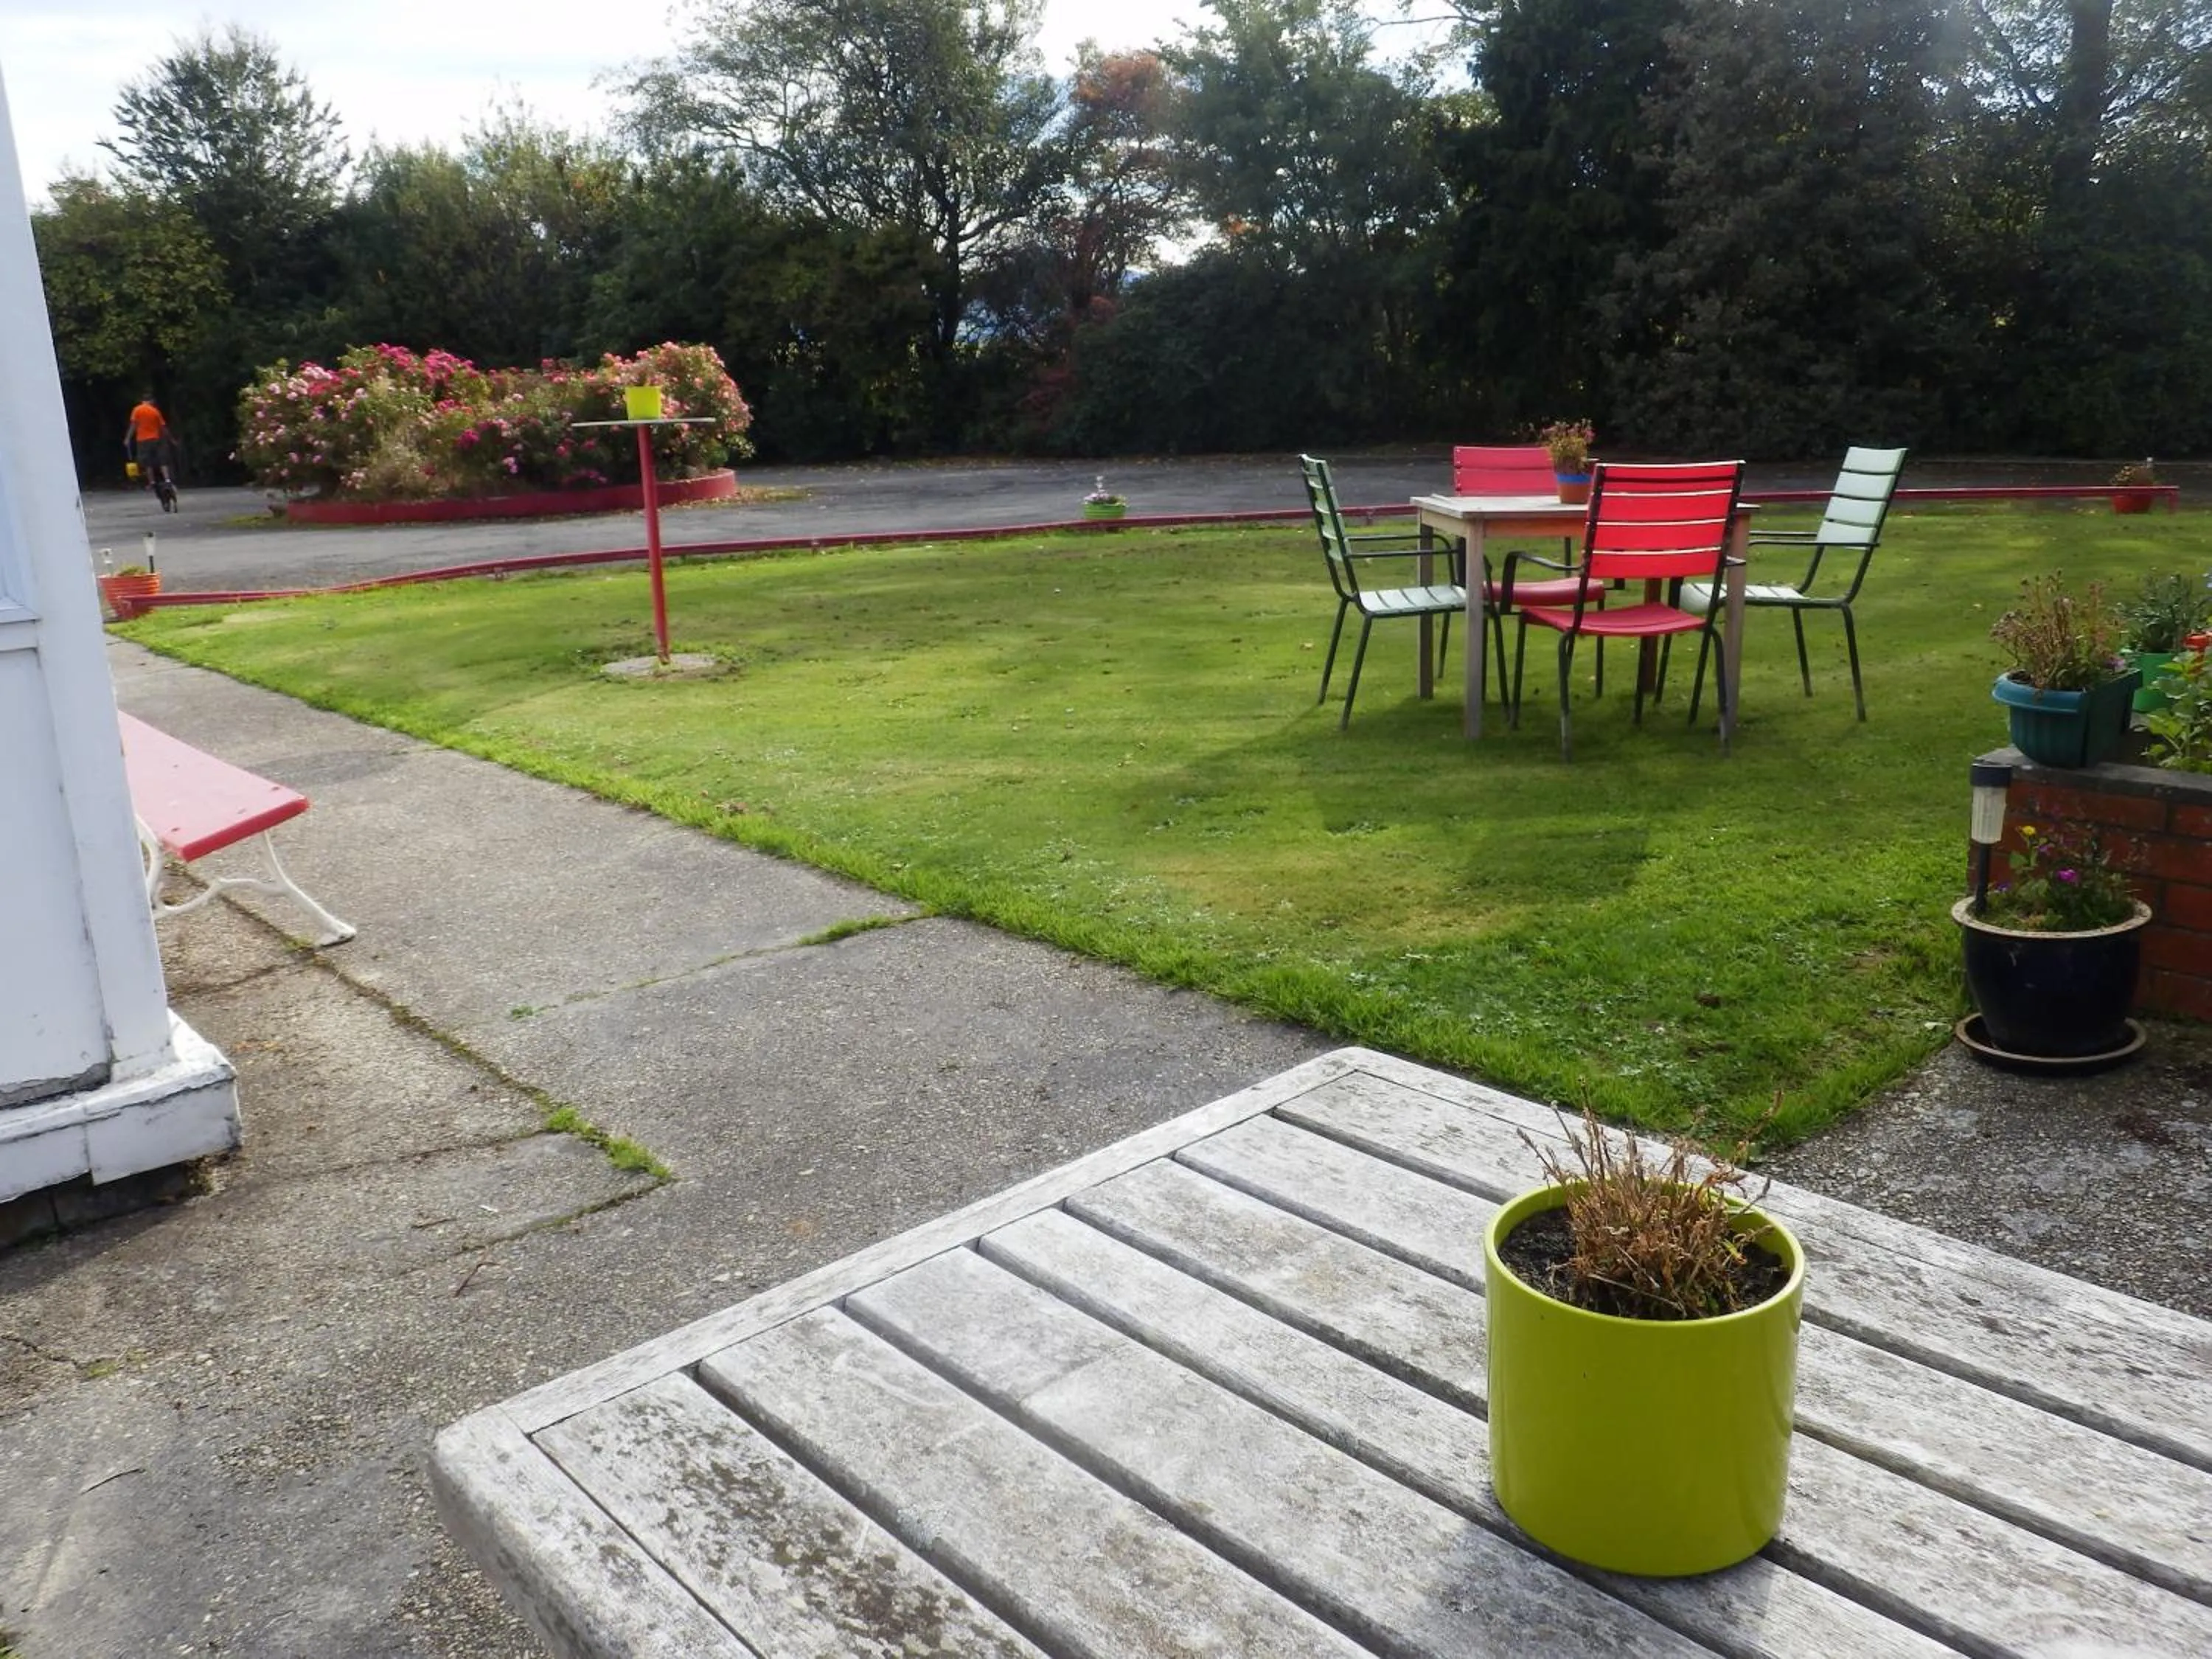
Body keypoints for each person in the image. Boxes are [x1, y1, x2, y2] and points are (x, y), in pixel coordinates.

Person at [123, 394, 178, 509]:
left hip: (143, 440)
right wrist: (171, 440)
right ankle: (167, 479)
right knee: (163, 460)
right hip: (156, 439)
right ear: (151, 401)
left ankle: (152, 482)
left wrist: (128, 438)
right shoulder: (155, 411)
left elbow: (134, 424)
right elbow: (163, 428)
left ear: (142, 400)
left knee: (147, 463)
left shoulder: (137, 410)